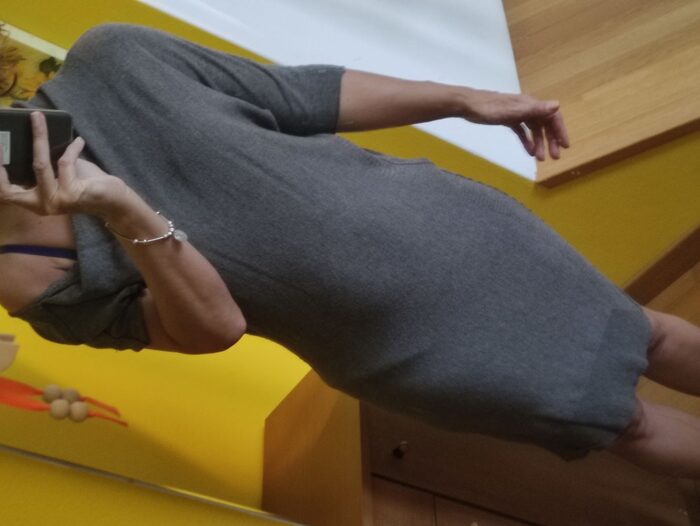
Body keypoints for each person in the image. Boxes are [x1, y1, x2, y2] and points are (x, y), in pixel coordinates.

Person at [0, 22, 699, 478]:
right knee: (623, 423)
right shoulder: (26, 282)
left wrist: (462, 99)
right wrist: (121, 208)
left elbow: (302, 95)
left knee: (646, 330)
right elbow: (213, 329)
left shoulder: (112, 59)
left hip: (457, 229)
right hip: (401, 344)